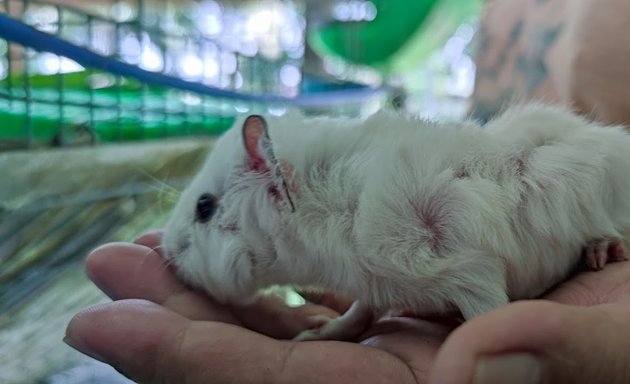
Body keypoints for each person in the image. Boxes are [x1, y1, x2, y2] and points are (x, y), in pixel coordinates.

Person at [65, 0, 630, 382]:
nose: (181, 238)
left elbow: (476, 274)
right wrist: (350, 325)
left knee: (563, 151)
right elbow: (378, 280)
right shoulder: (350, 240)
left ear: (272, 178)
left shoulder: (382, 227)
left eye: (208, 209)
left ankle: (605, 232)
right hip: (511, 165)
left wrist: (490, 337)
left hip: (575, 170)